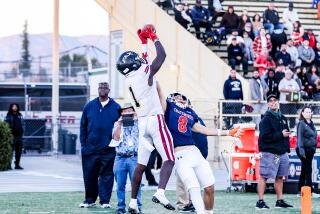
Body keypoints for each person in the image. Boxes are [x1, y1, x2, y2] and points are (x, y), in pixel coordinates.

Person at [116, 25, 175, 213]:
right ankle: (160, 192)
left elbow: (145, 61)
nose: (139, 60)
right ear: (133, 65)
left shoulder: (129, 79)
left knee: (140, 166)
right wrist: (154, 38)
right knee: (170, 158)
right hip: (155, 120)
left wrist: (143, 42)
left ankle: (132, 202)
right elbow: (161, 57)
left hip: (142, 123)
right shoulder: (143, 73)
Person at [156, 88, 242, 214]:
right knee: (194, 188)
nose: (180, 98)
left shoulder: (190, 112)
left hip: (195, 152)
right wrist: (154, 77)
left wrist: (228, 132)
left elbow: (204, 130)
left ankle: (209, 212)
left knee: (209, 187)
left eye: (182, 96)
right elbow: (159, 94)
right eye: (177, 96)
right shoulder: (168, 108)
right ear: (171, 99)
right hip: (180, 154)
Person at [79, 82, 121, 208]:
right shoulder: (89, 106)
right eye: (100, 87)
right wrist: (84, 145)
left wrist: (115, 144)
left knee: (107, 176)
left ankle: (105, 201)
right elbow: (83, 126)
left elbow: (120, 127)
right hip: (90, 149)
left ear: (109, 90)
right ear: (98, 90)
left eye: (105, 87)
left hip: (108, 149)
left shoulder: (116, 107)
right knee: (89, 175)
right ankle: (90, 200)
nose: (102, 89)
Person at [256, 94, 293, 210]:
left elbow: (285, 134)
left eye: (275, 100)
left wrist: (287, 148)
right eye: (270, 101)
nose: (273, 102)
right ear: (268, 104)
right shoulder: (265, 119)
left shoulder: (282, 117)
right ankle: (260, 201)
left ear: (278, 102)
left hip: (282, 152)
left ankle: (279, 200)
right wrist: (280, 134)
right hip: (269, 152)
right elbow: (264, 137)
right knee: (264, 176)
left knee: (280, 177)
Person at [175, 100, 208, 212]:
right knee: (182, 181)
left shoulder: (198, 119)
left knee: (194, 183)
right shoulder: (182, 119)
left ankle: (192, 202)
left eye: (191, 105)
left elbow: (203, 137)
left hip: (198, 155)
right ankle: (183, 204)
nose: (190, 107)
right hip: (184, 154)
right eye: (188, 106)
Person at [112, 103, 142, 214]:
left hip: (134, 157)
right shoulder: (117, 124)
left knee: (136, 184)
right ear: (121, 113)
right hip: (120, 158)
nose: (127, 113)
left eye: (130, 110)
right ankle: (120, 208)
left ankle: (137, 207)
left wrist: (137, 116)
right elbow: (115, 138)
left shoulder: (139, 123)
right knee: (120, 185)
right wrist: (119, 124)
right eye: (125, 111)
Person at [296, 106, 318, 196]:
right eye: (306, 112)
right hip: (304, 150)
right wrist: (302, 151)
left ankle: (300, 190)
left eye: (310, 112)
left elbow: (314, 137)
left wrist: (314, 147)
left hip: (310, 150)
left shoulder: (311, 123)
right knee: (308, 169)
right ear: (303, 113)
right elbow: (300, 138)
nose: (308, 113)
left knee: (305, 169)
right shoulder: (301, 123)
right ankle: (310, 191)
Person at [5, 103, 24, 170]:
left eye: (16, 106)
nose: (15, 107)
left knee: (19, 151)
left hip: (19, 136)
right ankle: (8, 165)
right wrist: (9, 134)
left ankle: (17, 165)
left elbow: (23, 124)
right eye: (13, 106)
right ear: (11, 107)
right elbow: (6, 125)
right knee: (10, 151)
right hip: (12, 136)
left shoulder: (20, 115)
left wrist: (22, 132)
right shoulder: (8, 116)